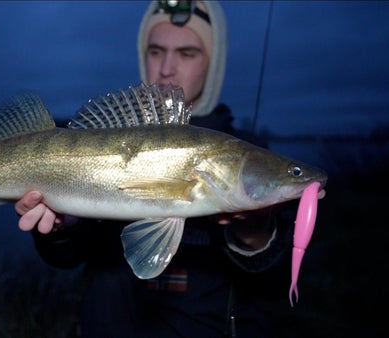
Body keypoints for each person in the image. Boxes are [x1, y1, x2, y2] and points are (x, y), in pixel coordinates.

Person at [16, 1, 291, 336]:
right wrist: (65, 226)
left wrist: (256, 234)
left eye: (187, 53)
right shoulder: (102, 138)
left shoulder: (247, 153)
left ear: (213, 62)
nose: (167, 68)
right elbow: (67, 258)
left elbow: (280, 286)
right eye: (156, 50)